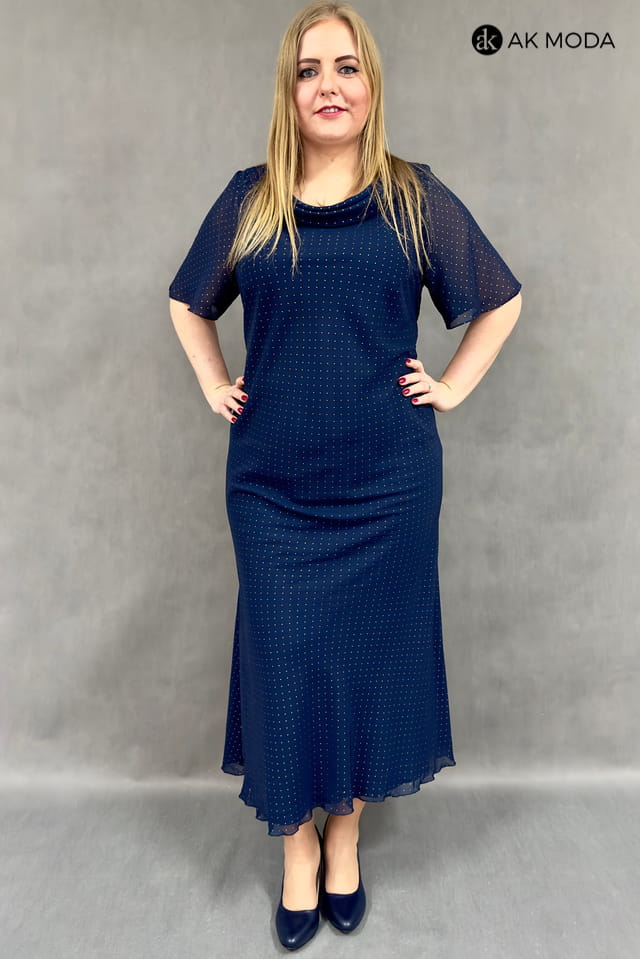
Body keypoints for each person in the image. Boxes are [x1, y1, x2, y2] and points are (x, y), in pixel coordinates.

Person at [168, 1, 522, 949]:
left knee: (364, 664)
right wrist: (213, 382)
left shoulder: (414, 197)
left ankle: (345, 841)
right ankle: (296, 848)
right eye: (309, 69)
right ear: (289, 91)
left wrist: (450, 385)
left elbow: (499, 300)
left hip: (388, 488)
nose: (329, 85)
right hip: (272, 489)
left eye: (347, 66)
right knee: (285, 661)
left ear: (371, 85)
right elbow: (188, 303)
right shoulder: (250, 199)